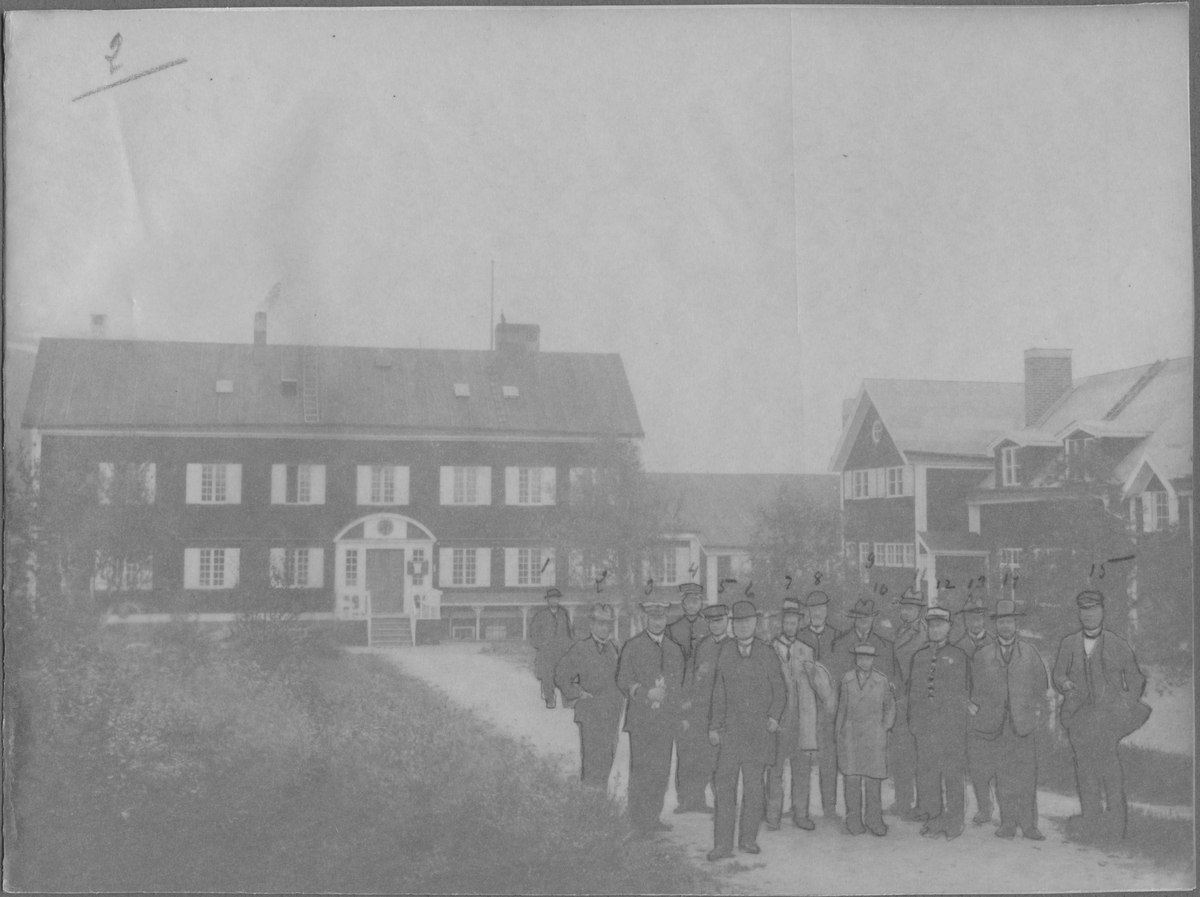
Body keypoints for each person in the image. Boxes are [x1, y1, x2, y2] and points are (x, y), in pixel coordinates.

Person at [1052, 590, 1150, 839]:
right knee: (1085, 772)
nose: (1089, 615)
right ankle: (1091, 823)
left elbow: (1136, 678)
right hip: (1079, 718)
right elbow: (1058, 674)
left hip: (1108, 720)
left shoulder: (1117, 643)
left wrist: (1126, 703)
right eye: (1084, 610)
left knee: (1110, 771)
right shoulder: (1068, 644)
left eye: (1094, 609)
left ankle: (1117, 827)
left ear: (1102, 612)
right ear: (1079, 613)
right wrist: (1064, 685)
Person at [706, 600, 786, 861]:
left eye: (747, 622)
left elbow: (780, 689)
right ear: (733, 626)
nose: (743, 626)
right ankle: (722, 846)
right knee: (724, 788)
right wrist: (714, 726)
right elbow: (718, 692)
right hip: (730, 734)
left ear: (755, 623)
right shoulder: (725, 651)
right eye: (738, 623)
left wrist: (774, 716)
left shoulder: (766, 651)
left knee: (753, 790)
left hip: (758, 734)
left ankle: (748, 840)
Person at [968, 598, 1049, 841]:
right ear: (995, 625)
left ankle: (1029, 825)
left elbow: (1041, 688)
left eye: (1009, 621)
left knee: (1026, 776)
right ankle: (1007, 823)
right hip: (996, 725)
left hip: (1023, 724)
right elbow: (974, 690)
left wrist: (1035, 715)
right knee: (1003, 775)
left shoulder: (1030, 653)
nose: (1005, 626)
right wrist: (980, 715)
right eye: (1001, 621)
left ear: (1016, 624)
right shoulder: (983, 655)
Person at [617, 599, 687, 836]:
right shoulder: (633, 645)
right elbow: (622, 678)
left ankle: (653, 817)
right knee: (641, 771)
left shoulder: (675, 648)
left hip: (665, 721)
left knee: (661, 771)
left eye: (661, 618)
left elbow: (679, 684)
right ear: (647, 618)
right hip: (641, 720)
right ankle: (637, 823)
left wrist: (678, 714)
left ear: (666, 619)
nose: (658, 622)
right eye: (653, 617)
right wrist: (646, 693)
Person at [766, 597, 834, 831]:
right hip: (777, 720)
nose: (791, 626)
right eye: (787, 622)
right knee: (775, 769)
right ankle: (773, 814)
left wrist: (815, 673)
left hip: (802, 720)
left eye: (794, 623)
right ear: (781, 623)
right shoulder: (770, 649)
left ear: (798, 624)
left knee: (802, 769)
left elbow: (824, 690)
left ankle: (801, 813)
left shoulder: (807, 650)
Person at [907, 606, 970, 840]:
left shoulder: (959, 656)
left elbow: (965, 692)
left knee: (953, 774)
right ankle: (934, 818)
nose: (935, 630)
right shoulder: (920, 656)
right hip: (926, 726)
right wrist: (914, 722)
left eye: (939, 625)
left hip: (951, 727)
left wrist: (958, 722)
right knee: (929, 773)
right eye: (931, 626)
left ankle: (954, 821)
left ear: (949, 628)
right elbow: (914, 692)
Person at [554, 604, 623, 789]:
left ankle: (600, 801)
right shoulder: (581, 648)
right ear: (591, 625)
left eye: (607, 624)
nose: (604, 628)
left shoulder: (614, 648)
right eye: (599, 623)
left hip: (612, 712)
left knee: (608, 756)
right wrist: (578, 693)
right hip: (590, 712)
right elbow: (561, 675)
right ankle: (589, 803)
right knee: (592, 758)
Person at [675, 603, 730, 814]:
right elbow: (690, 675)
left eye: (720, 621)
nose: (716, 626)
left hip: (722, 712)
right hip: (699, 709)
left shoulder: (733, 646)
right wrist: (686, 704)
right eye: (712, 622)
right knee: (694, 755)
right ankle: (692, 801)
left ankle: (721, 804)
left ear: (727, 620)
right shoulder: (702, 645)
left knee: (719, 759)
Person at [836, 644, 896, 837]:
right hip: (851, 733)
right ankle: (853, 819)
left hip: (873, 735)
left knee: (873, 780)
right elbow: (841, 708)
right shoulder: (846, 679)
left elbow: (890, 707)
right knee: (852, 779)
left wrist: (884, 727)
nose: (864, 662)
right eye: (860, 658)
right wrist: (839, 731)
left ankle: (874, 819)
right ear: (855, 659)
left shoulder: (882, 680)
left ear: (873, 660)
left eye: (868, 658)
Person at [797, 590, 843, 817]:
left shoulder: (837, 635)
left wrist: (832, 697)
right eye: (814, 609)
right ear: (808, 612)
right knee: (802, 756)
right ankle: (800, 807)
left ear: (827, 610)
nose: (818, 612)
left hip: (828, 704)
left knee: (828, 755)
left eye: (822, 608)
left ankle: (830, 807)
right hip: (805, 704)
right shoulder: (800, 634)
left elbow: (840, 668)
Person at [955, 592, 997, 823]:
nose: (974, 621)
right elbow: (952, 679)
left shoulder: (995, 644)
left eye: (979, 616)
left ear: (985, 619)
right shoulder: (957, 645)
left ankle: (991, 807)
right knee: (970, 761)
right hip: (964, 712)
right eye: (970, 617)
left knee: (989, 761)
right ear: (964, 620)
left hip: (990, 712)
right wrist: (964, 701)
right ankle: (971, 807)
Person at [887, 588, 927, 817]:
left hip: (918, 700)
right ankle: (902, 801)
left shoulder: (923, 632)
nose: (905, 611)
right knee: (901, 753)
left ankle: (923, 805)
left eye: (910, 608)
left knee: (920, 754)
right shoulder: (898, 631)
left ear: (918, 611)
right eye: (903, 607)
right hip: (900, 700)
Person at [530, 587, 574, 708]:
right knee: (548, 677)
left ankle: (567, 700)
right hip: (547, 653)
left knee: (565, 675)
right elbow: (533, 634)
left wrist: (570, 645)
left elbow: (570, 631)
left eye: (556, 598)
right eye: (551, 599)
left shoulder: (563, 613)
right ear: (548, 601)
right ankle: (550, 699)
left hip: (562, 652)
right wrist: (541, 646)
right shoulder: (541, 615)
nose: (554, 601)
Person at [668, 582, 709, 665]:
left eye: (695, 602)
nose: (691, 606)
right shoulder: (672, 629)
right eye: (688, 601)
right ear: (681, 604)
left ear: (701, 604)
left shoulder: (708, 628)